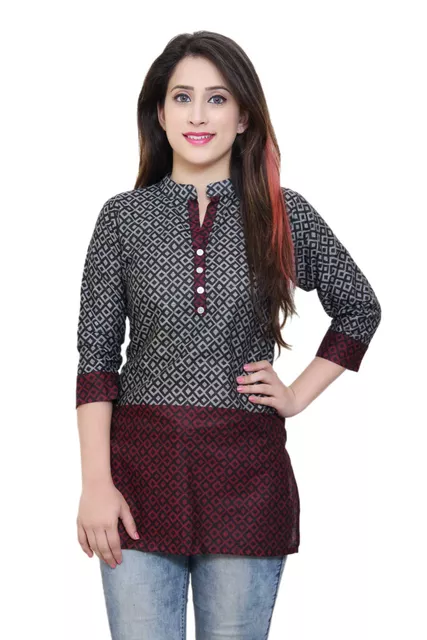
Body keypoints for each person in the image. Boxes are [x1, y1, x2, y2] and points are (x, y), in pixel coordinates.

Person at [75, 30, 381, 640]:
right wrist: (95, 485)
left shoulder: (280, 212)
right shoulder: (122, 218)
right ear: (160, 113)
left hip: (246, 477)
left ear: (243, 117)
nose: (197, 115)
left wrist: (295, 395)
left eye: (216, 99)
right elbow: (96, 360)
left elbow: (359, 308)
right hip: (137, 477)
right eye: (182, 97)